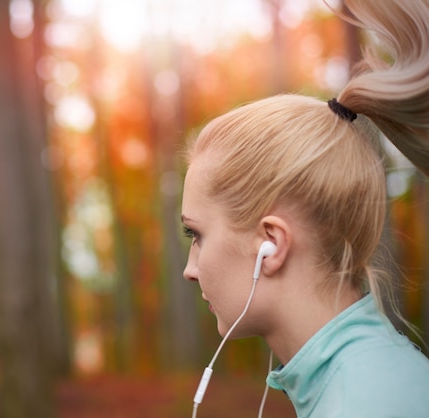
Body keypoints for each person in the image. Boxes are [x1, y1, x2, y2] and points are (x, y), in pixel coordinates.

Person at [181, 0, 429, 417]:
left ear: (271, 244)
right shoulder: (368, 380)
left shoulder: (371, 403)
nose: (190, 268)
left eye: (197, 235)